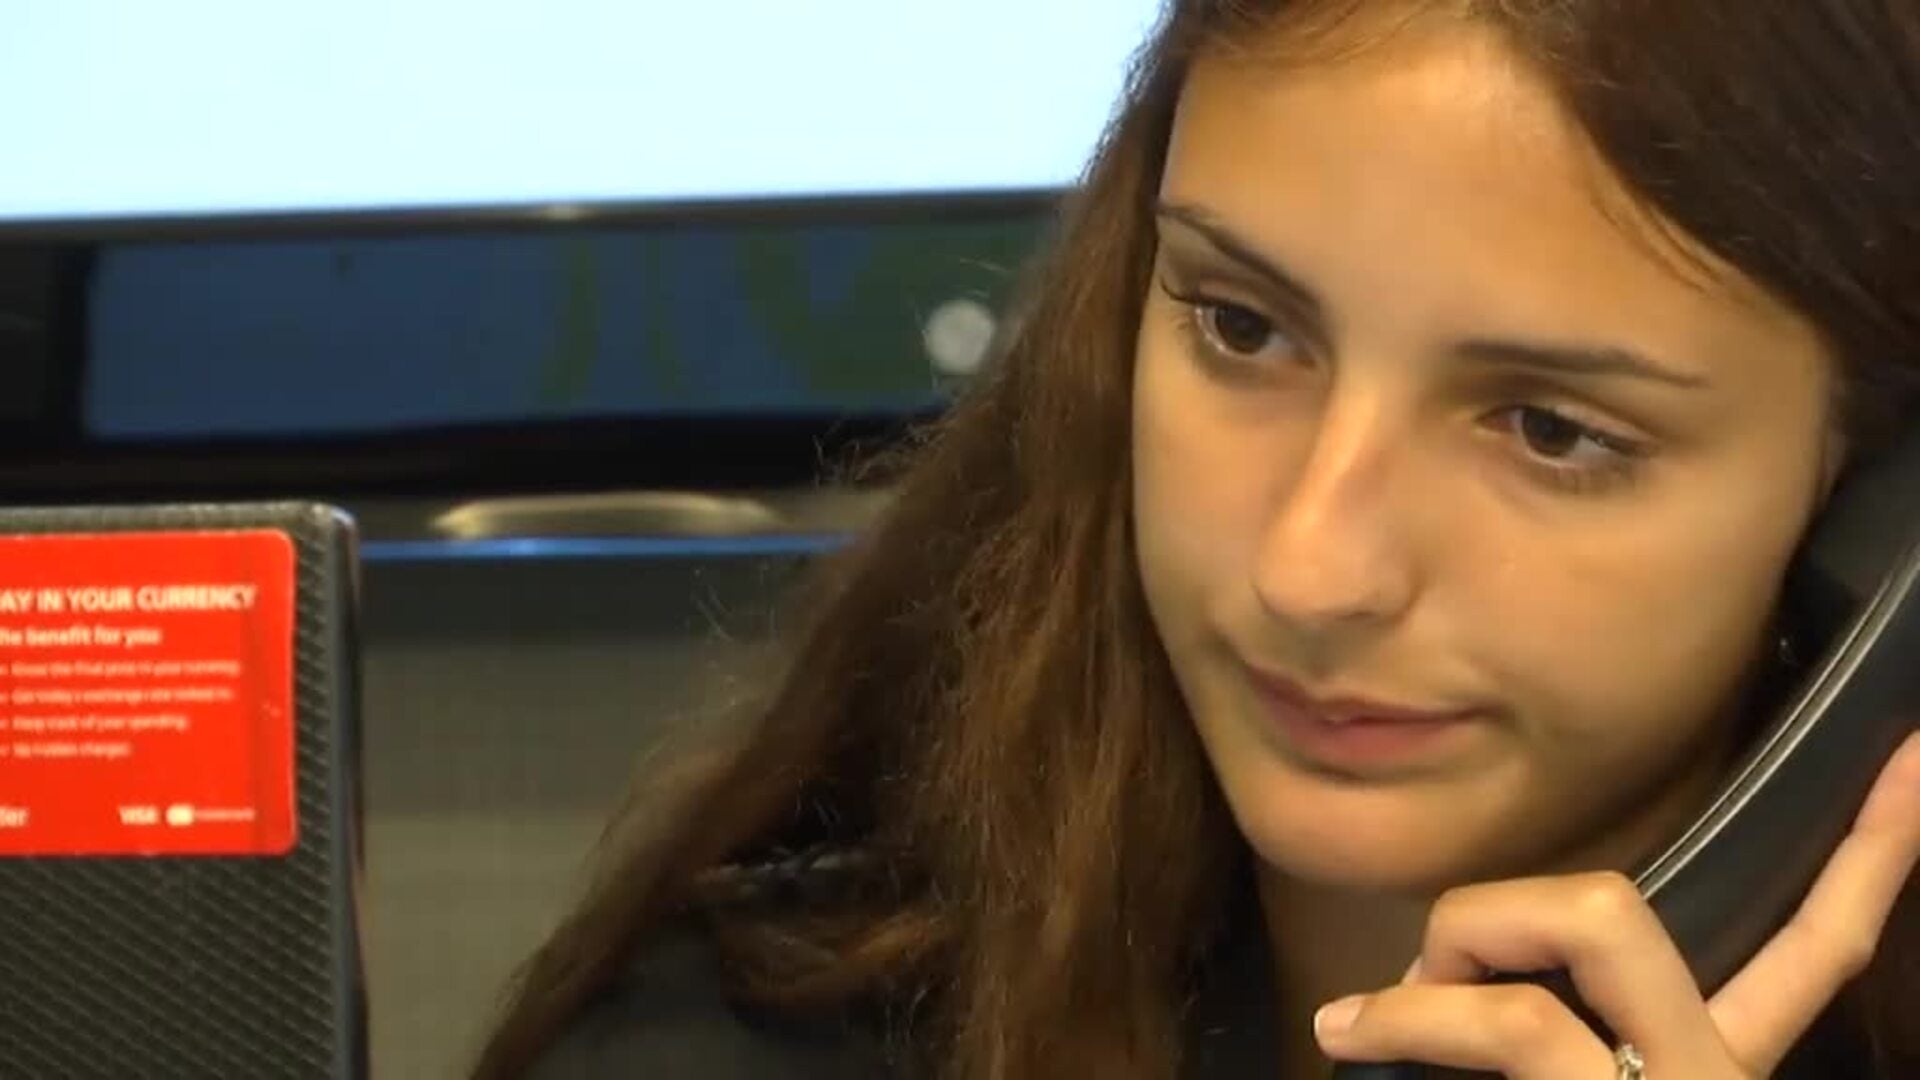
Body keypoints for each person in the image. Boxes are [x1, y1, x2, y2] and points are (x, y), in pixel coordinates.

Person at [472, 1, 1920, 1077]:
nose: (1311, 571)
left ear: (1874, 511)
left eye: (1551, 429)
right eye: (1241, 328)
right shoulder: (753, 1038)